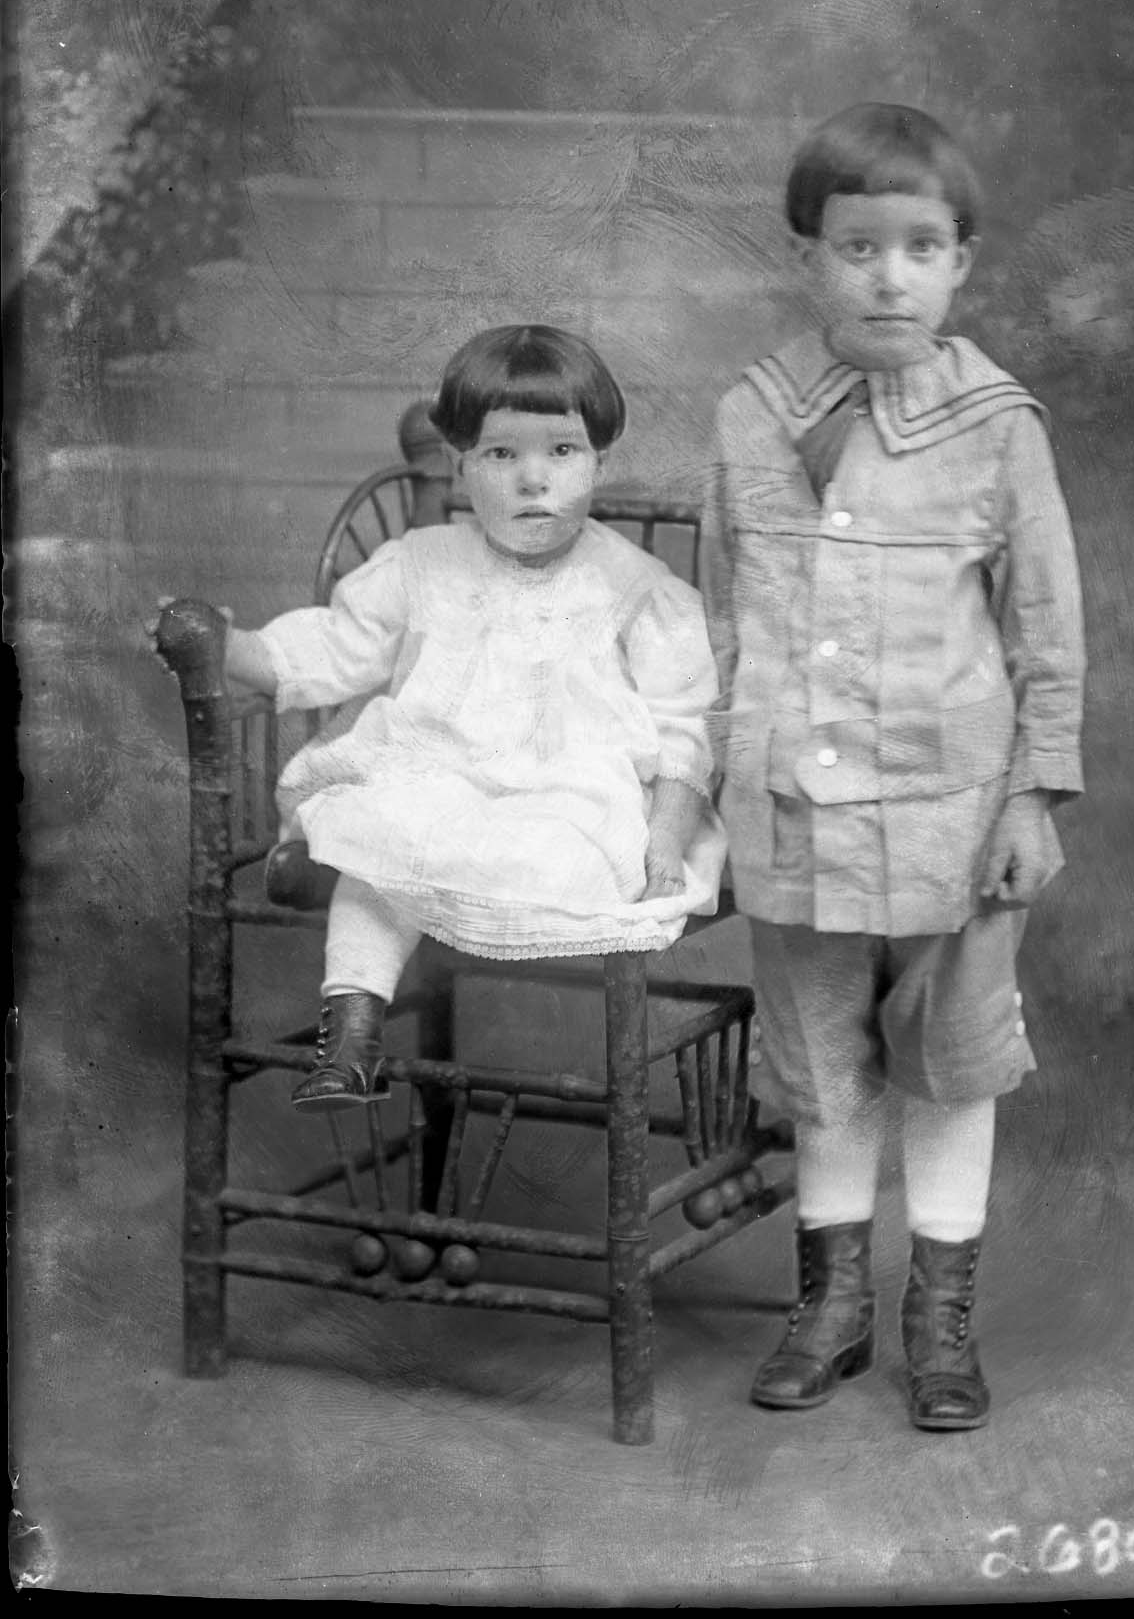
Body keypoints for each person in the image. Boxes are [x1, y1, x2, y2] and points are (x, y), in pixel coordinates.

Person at [700, 102, 1085, 1431]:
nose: (886, 277)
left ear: (959, 261)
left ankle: (937, 1316)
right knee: (819, 1069)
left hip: (949, 818)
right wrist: (710, 786)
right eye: (856, 247)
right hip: (793, 814)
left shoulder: (995, 425)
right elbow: (722, 621)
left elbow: (1044, 627)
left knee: (949, 1062)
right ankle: (831, 1309)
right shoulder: (751, 415)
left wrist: (1031, 793)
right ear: (807, 256)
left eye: (919, 247)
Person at [218, 324, 726, 1113]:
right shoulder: (423, 562)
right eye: (501, 454)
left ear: (599, 463)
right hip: (433, 775)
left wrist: (665, 836)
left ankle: (330, 862)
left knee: (553, 861)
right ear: (461, 467)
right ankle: (350, 1035)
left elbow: (684, 723)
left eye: (562, 451)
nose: (533, 479)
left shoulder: (634, 587)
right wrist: (234, 649)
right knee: (387, 832)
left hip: (565, 796)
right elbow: (337, 647)